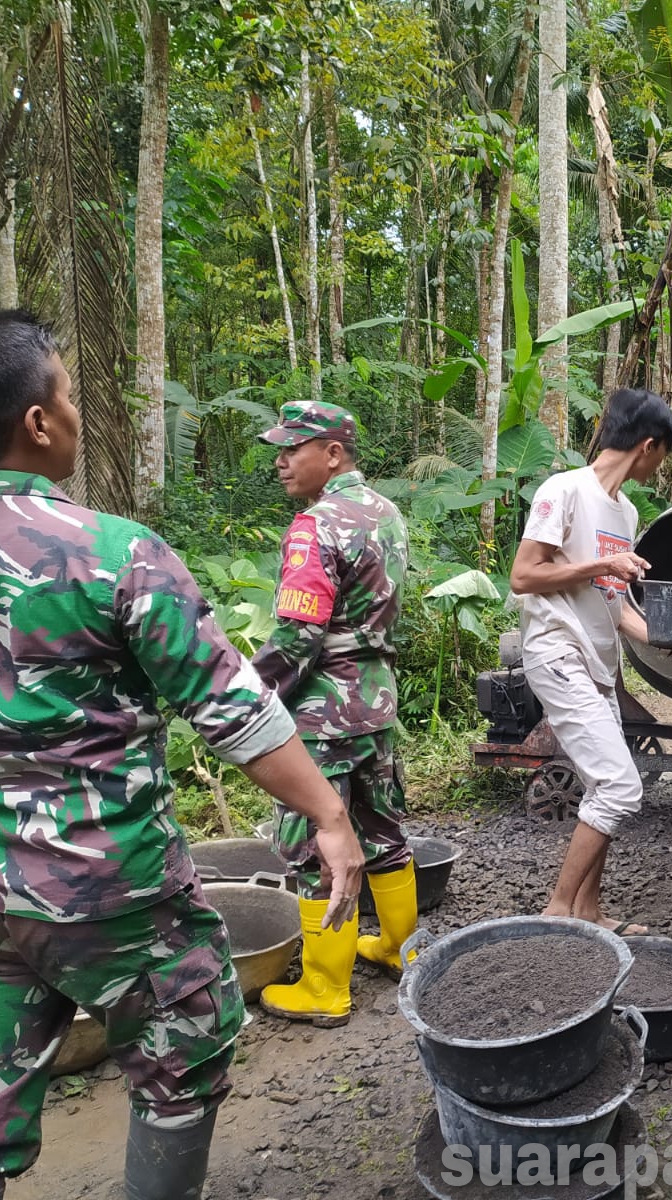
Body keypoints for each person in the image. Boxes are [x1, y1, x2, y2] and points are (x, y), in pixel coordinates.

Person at [0, 310, 364, 1200]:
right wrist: (327, 813)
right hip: (107, 886)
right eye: (68, 393)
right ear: (37, 421)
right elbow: (232, 712)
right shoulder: (115, 554)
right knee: (185, 1046)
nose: (75, 411)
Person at [251, 401, 413, 1025]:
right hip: (377, 696)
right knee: (381, 828)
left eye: (294, 448)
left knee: (316, 843)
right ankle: (398, 947)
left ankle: (324, 987)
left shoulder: (315, 526)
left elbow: (297, 637)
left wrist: (250, 694)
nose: (281, 459)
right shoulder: (386, 513)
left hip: (321, 712)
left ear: (334, 454)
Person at [510, 388, 672, 935]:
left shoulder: (625, 511)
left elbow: (615, 604)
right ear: (648, 446)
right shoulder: (565, 490)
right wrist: (601, 560)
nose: (661, 466)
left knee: (600, 785)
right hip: (557, 651)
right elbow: (524, 575)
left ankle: (589, 910)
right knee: (621, 787)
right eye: (663, 455)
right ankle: (558, 911)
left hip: (600, 663)